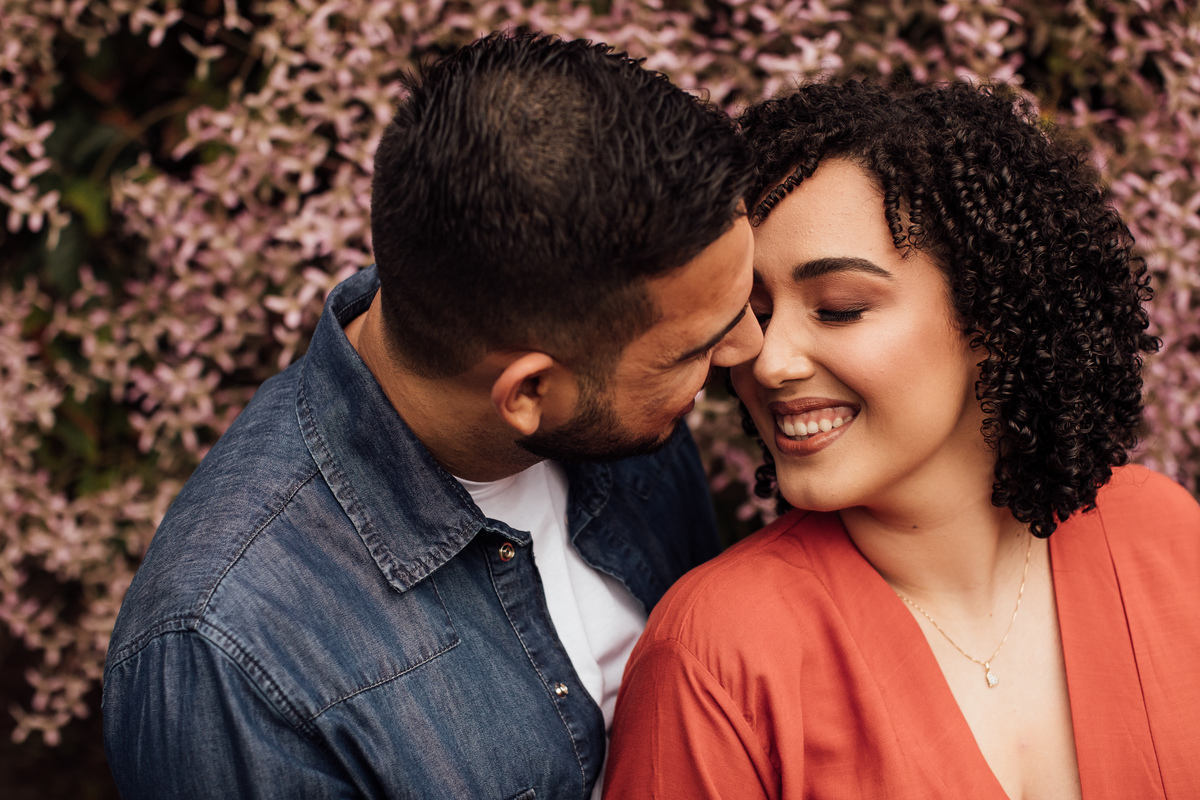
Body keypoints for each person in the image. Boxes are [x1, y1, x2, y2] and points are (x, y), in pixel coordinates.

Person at [102, 32, 763, 799]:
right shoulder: (231, 653)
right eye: (695, 349)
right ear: (525, 394)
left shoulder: (611, 382)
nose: (751, 349)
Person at [604, 79, 1200, 799]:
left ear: (989, 314)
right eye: (753, 312)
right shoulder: (716, 657)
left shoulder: (1164, 537)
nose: (768, 360)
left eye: (839, 309)